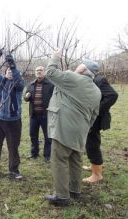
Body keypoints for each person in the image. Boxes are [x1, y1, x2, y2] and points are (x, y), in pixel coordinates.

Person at [44, 51, 101, 206]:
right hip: (81, 131)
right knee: (75, 160)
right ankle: (74, 191)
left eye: (79, 65)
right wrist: (84, 127)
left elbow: (50, 72)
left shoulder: (73, 79)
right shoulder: (97, 91)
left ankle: (61, 196)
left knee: (59, 160)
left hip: (64, 128)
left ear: (82, 69)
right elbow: (94, 115)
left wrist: (55, 57)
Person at [0, 49, 24, 179]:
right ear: (4, 73)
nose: (10, 72)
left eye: (12, 71)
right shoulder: (0, 81)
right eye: (8, 71)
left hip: (14, 120)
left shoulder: (19, 83)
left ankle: (14, 169)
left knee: (13, 146)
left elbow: (19, 81)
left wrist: (13, 65)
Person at [82, 59, 118, 183]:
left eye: (83, 66)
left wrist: (96, 109)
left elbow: (113, 95)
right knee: (89, 143)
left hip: (96, 119)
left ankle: (97, 174)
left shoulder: (99, 80)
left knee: (92, 144)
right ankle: (94, 166)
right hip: (89, 118)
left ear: (87, 69)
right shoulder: (90, 80)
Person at [23, 66, 54, 162]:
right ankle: (34, 153)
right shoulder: (31, 84)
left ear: (44, 72)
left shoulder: (50, 84)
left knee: (47, 136)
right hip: (34, 115)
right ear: (35, 73)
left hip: (46, 115)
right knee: (33, 135)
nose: (38, 72)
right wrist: (26, 97)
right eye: (37, 71)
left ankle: (47, 155)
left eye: (40, 70)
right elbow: (25, 98)